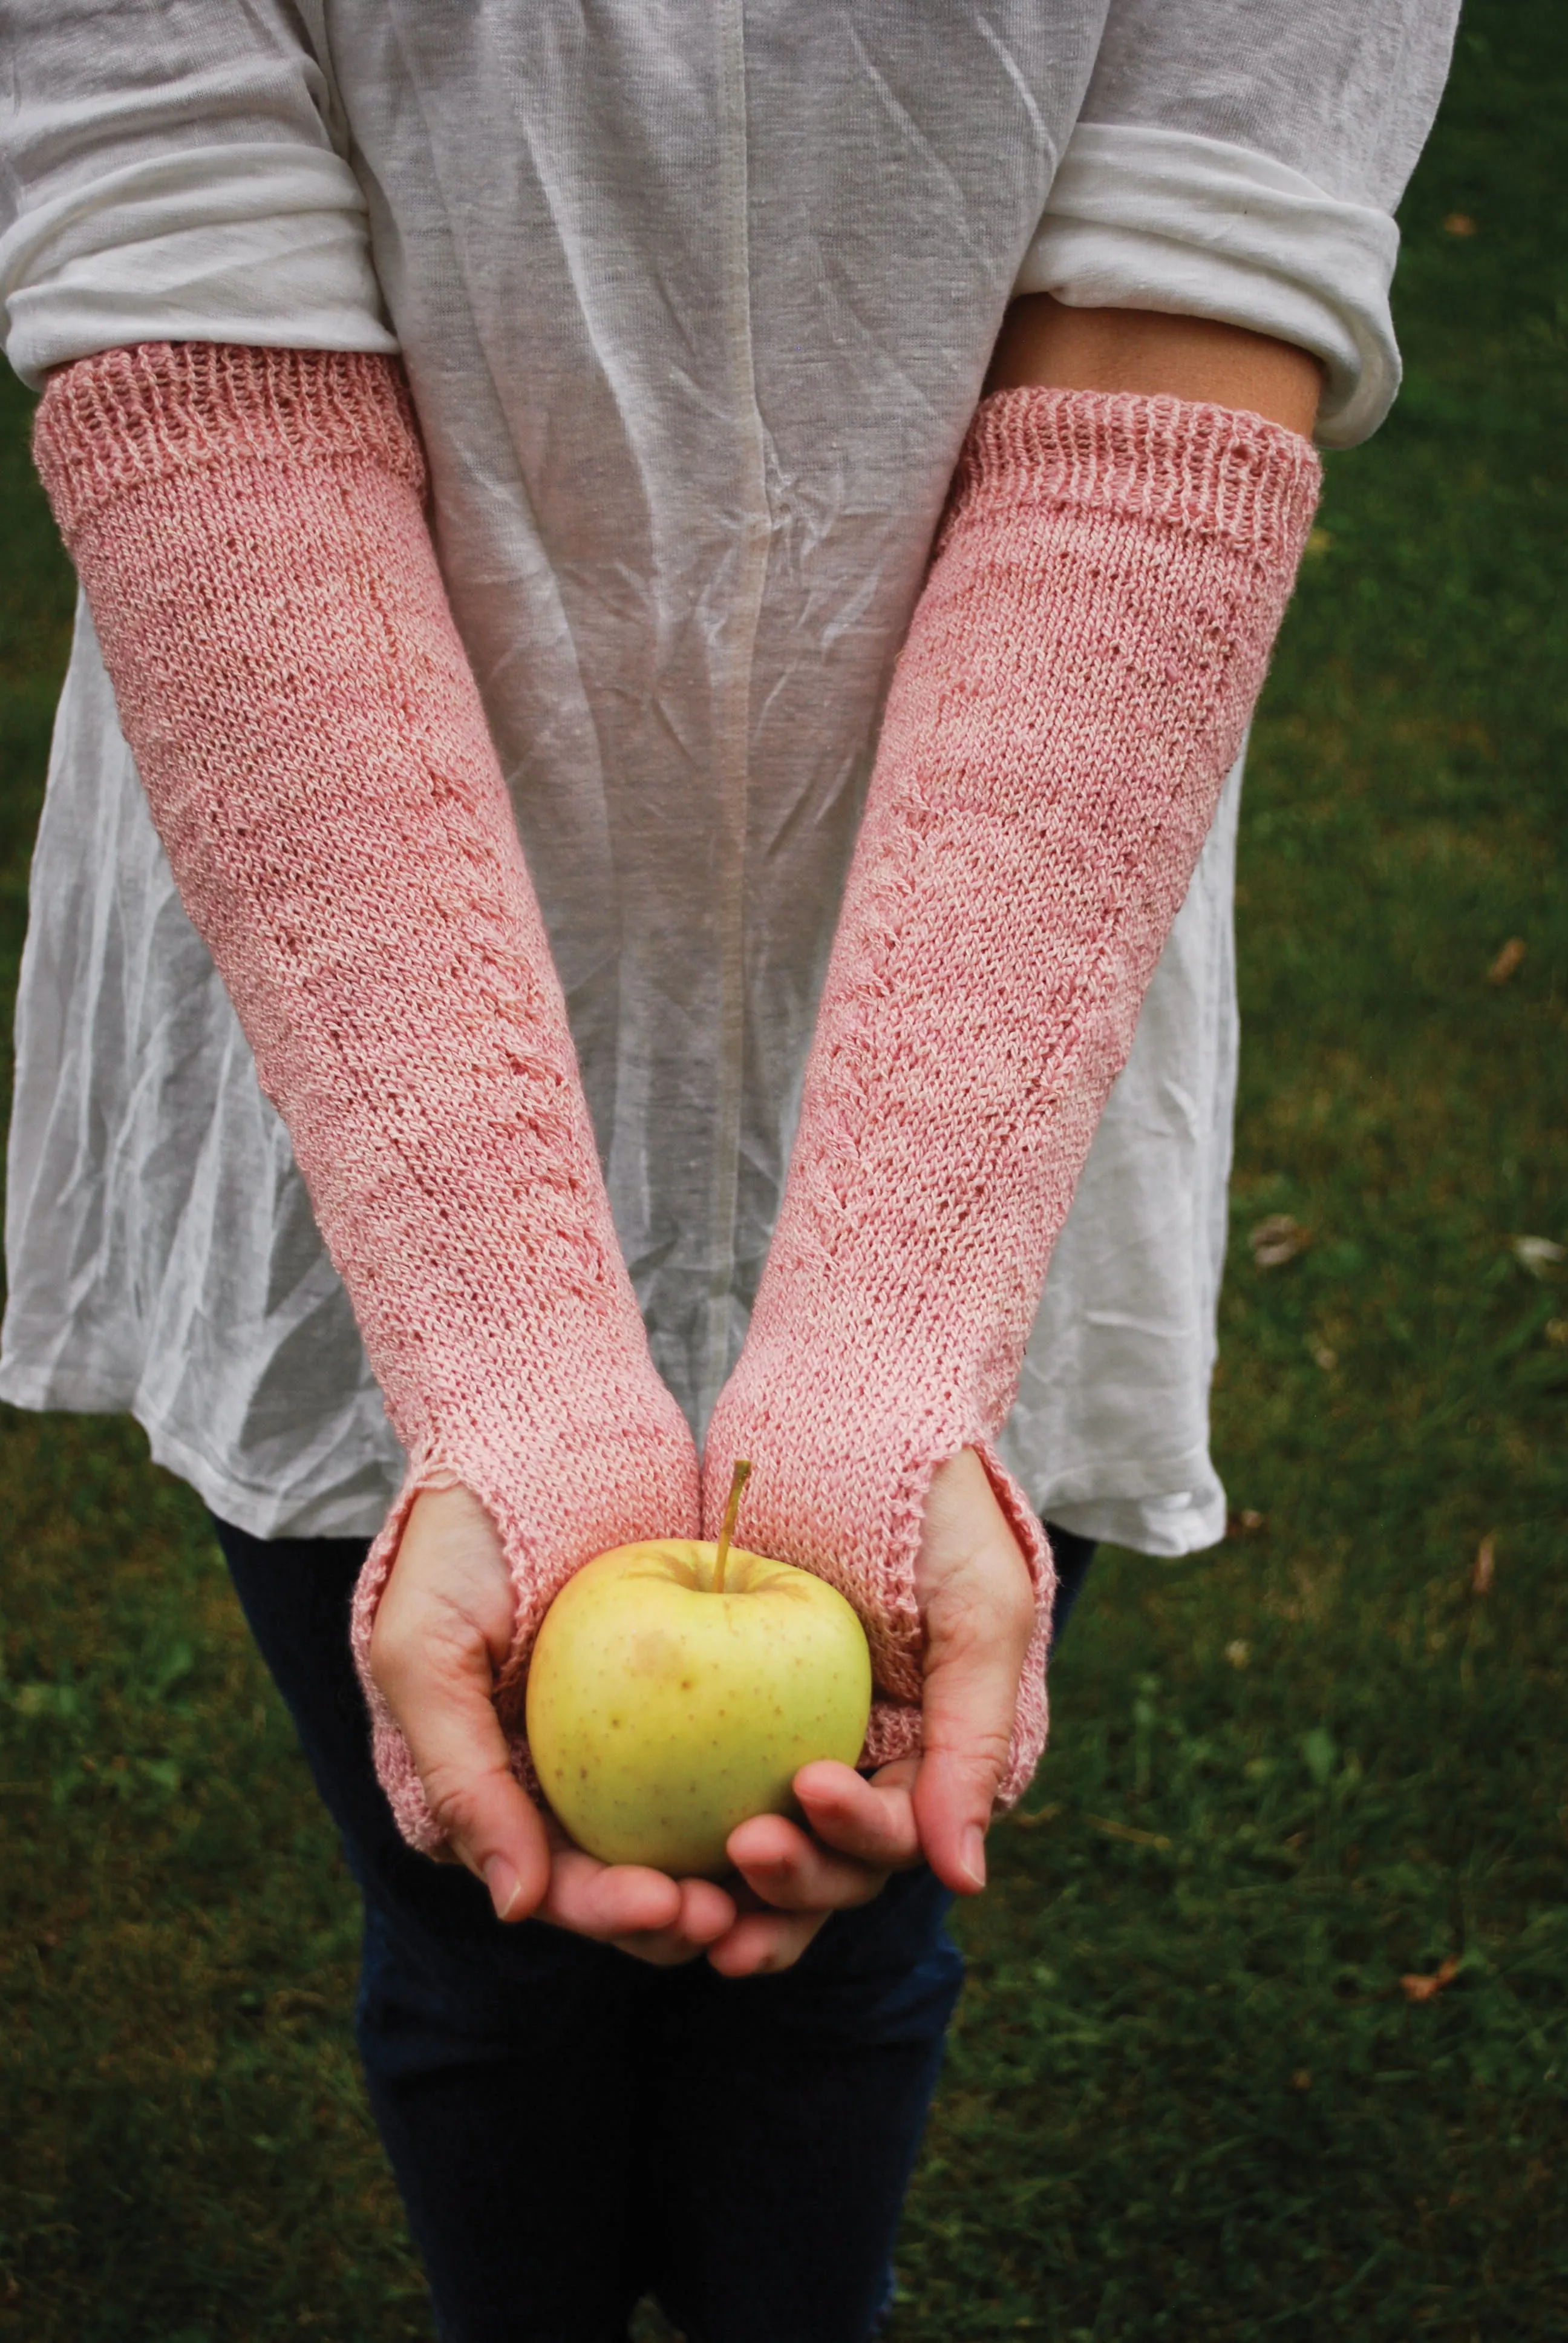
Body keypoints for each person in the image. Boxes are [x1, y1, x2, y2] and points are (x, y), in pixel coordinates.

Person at [0, 5, 1457, 2338]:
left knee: (854, 1936)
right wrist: (495, 1339)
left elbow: (1175, 322)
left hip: (989, 964)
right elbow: (196, 330)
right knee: (462, 1931)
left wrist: (891, 1336)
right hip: (334, 946)